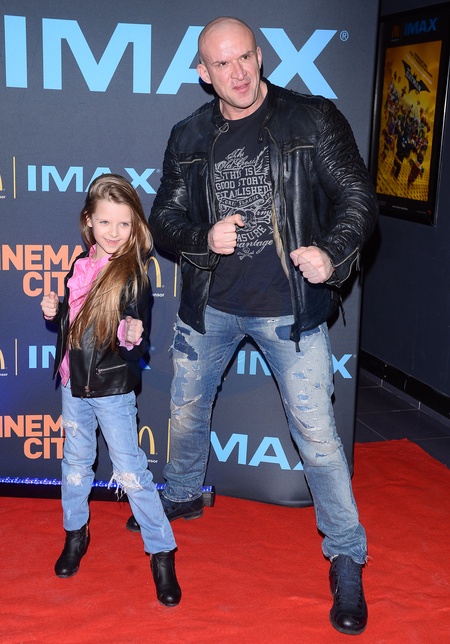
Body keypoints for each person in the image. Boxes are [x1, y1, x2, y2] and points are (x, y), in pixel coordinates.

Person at [148, 17, 378, 634]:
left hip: (289, 310)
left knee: (318, 437)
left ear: (260, 54)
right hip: (210, 306)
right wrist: (204, 237)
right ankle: (182, 496)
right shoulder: (188, 134)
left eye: (245, 57)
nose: (239, 73)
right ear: (203, 73)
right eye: (222, 64)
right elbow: (164, 218)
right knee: (185, 413)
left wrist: (332, 251)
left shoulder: (312, 118)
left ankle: (346, 555)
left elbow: (357, 197)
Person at [40, 174, 181, 607]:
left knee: (132, 472)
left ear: (134, 225)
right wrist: (55, 312)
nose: (114, 233)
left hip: (112, 389)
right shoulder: (79, 265)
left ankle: (162, 552)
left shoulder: (133, 275)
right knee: (75, 466)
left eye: (123, 224)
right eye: (105, 222)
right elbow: (74, 323)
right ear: (89, 221)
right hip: (73, 385)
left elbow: (133, 336)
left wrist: (132, 334)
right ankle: (75, 534)